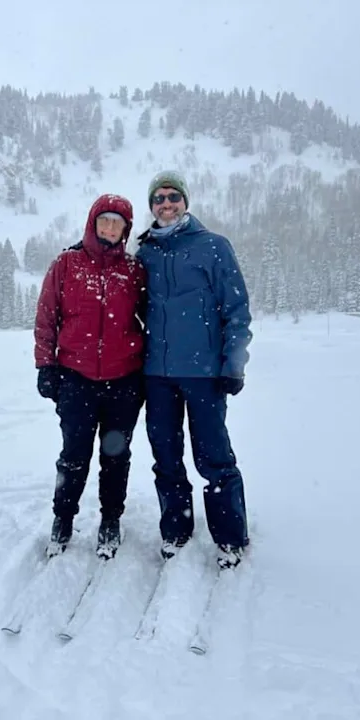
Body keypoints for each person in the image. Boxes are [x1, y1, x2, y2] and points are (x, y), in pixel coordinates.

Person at [135, 170, 253, 570]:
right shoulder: (145, 253)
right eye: (158, 198)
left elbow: (236, 311)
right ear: (151, 205)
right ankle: (176, 529)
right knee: (165, 456)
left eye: (173, 196)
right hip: (157, 375)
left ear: (185, 201)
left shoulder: (213, 247)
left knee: (214, 457)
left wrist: (232, 364)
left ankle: (231, 537)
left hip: (204, 374)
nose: (166, 204)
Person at [34, 193, 147, 560]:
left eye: (118, 223)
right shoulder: (66, 265)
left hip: (124, 382)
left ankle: (111, 520)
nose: (110, 228)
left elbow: (152, 320)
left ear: (126, 230)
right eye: (105, 220)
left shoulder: (134, 270)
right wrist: (45, 366)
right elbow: (46, 318)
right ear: (93, 223)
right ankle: (62, 519)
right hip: (76, 380)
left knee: (116, 457)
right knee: (73, 455)